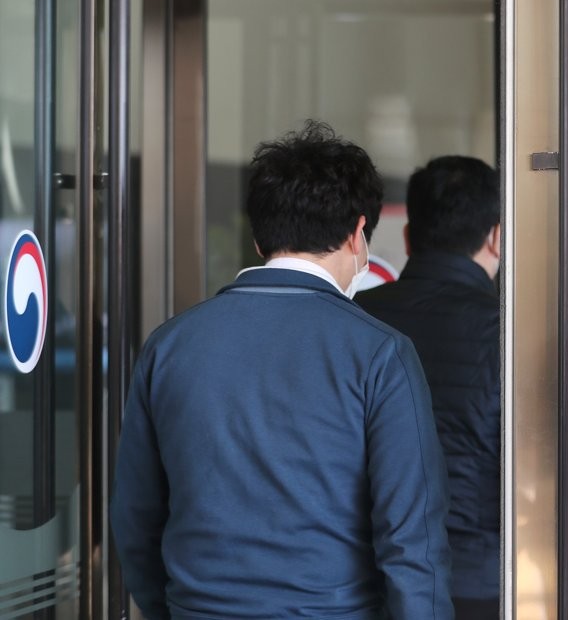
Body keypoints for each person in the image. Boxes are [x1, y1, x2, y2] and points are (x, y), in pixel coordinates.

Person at [111, 121, 453, 620]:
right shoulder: (381, 354)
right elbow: (411, 542)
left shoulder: (169, 346)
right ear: (358, 234)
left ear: (258, 238)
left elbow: (135, 518)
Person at [356, 156, 500, 619]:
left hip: (366, 578)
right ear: (496, 237)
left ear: (408, 236)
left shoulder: (356, 318)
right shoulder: (508, 333)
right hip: (477, 578)